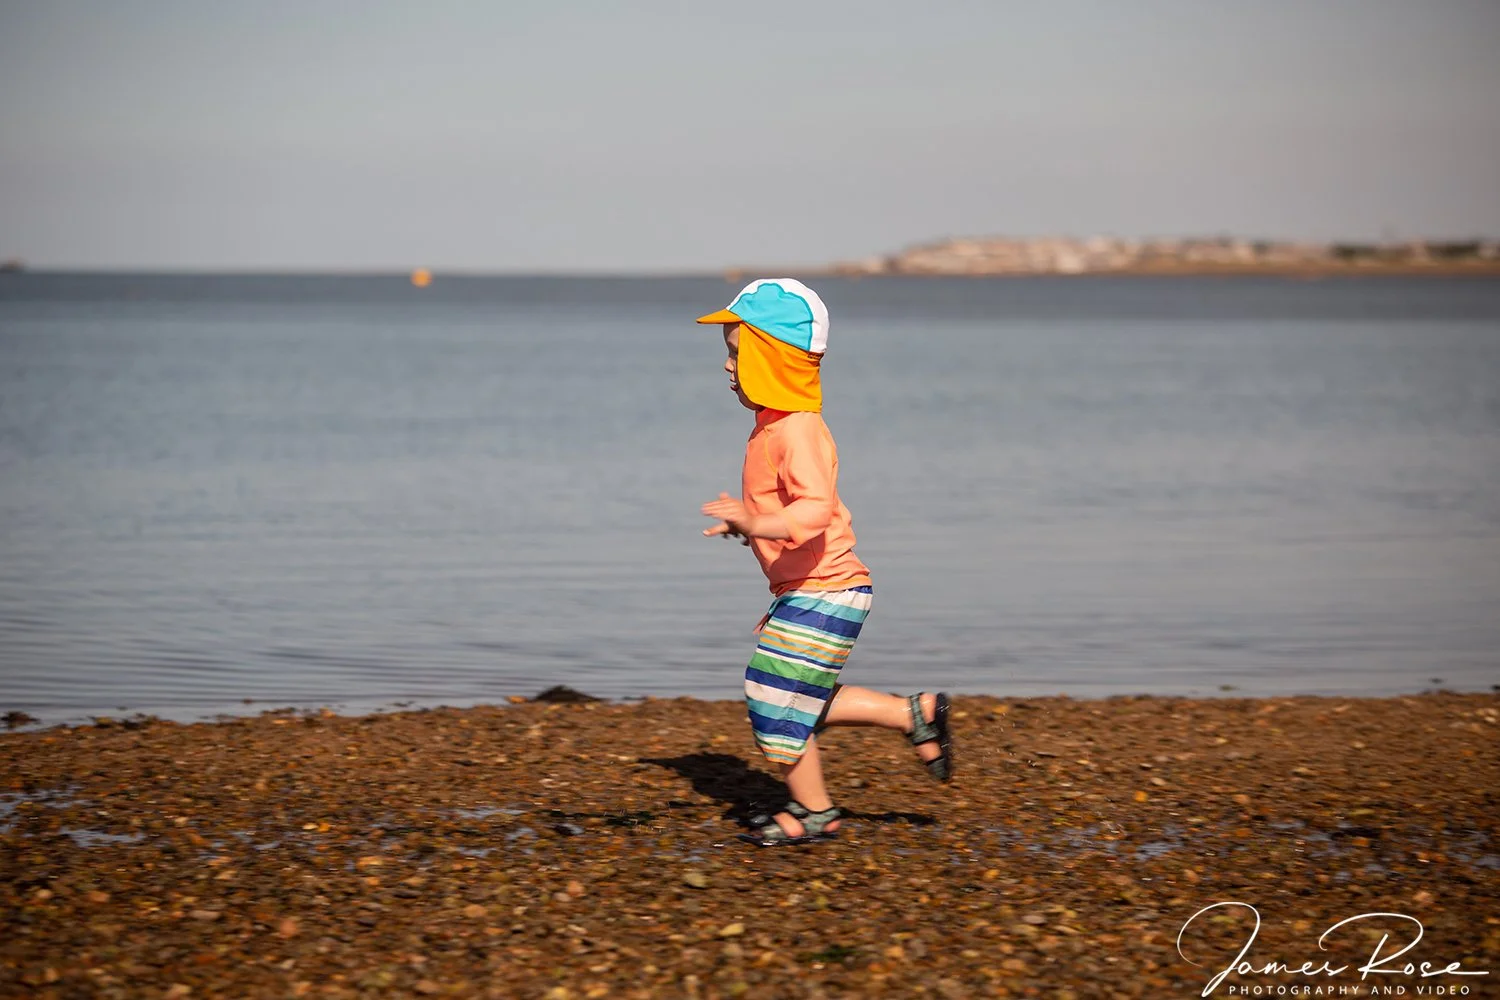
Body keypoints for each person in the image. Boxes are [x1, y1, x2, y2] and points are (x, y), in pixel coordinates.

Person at [696, 278, 955, 847]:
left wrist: (755, 521)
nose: (726, 368)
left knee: (773, 696)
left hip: (829, 588)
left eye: (736, 354)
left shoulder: (799, 431)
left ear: (773, 359)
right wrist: (750, 529)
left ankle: (815, 811)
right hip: (810, 587)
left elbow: (813, 511)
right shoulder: (771, 427)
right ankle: (913, 714)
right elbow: (784, 513)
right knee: (795, 695)